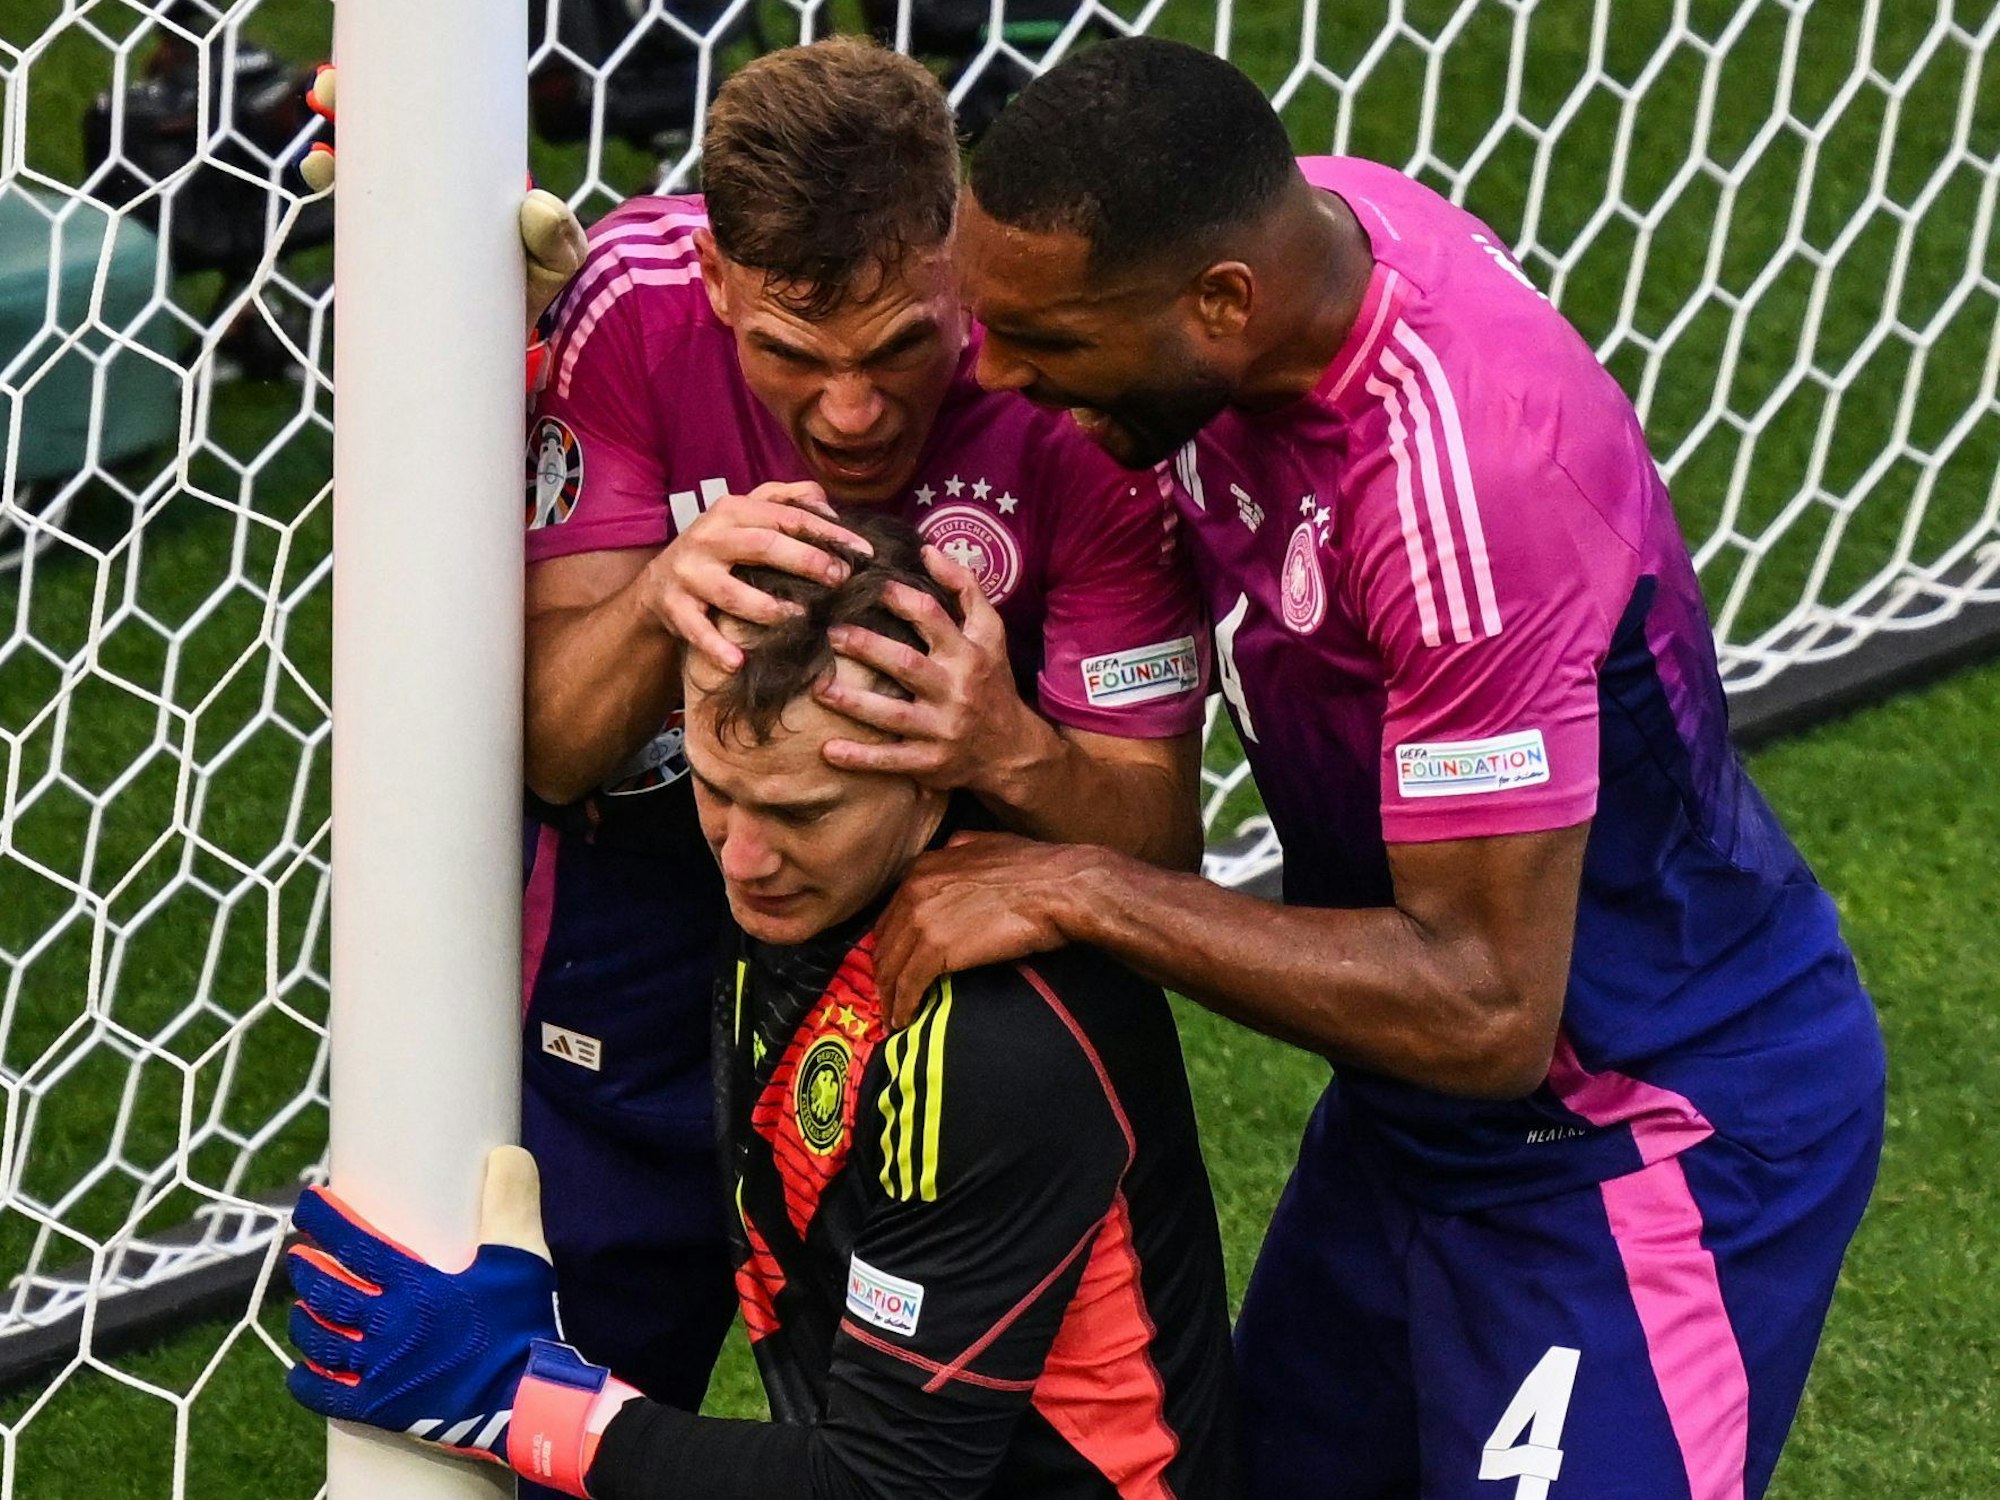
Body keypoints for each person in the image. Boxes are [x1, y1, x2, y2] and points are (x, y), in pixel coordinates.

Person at [856, 37, 1888, 1500]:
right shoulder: (1294, 235)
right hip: (1411, 1127)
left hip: (1635, 1133)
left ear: (1223, 304)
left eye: (1051, 342)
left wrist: (1077, 886)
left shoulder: (1468, 492)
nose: (1002, 377)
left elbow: (1484, 1009)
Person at [516, 34, 1208, 1426]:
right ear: (715, 283)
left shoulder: (1074, 391)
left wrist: (1002, 744)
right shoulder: (634, 305)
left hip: (939, 957)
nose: (848, 412)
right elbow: (546, 750)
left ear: (960, 264)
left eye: (901, 348)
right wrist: (661, 594)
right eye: (790, 357)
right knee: (553, 1391)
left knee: (915, 1437)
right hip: (644, 921)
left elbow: (1164, 847)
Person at [284, 516, 1240, 1500]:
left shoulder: (988, 1041)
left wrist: (515, 1400)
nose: (741, 857)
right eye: (716, 790)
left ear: (932, 780)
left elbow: (882, 1484)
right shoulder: (808, 895)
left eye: (800, 814)